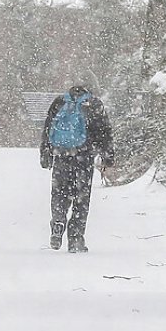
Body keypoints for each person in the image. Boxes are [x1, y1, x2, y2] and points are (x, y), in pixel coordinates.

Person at [40, 83, 114, 252]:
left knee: (59, 192)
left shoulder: (59, 102)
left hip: (61, 156)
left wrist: (46, 154)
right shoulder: (94, 105)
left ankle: (58, 222)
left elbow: (47, 128)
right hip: (84, 157)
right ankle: (76, 239)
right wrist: (107, 157)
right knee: (81, 198)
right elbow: (104, 131)